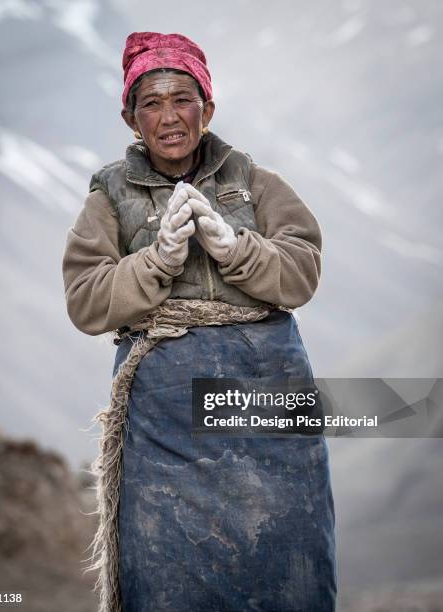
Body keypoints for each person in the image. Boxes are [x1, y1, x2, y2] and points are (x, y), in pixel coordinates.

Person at [62, 31, 336, 612]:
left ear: (207, 109)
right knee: (170, 571)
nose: (168, 117)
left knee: (288, 556)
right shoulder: (109, 198)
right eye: (151, 103)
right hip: (166, 414)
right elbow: (86, 299)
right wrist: (155, 263)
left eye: (182, 99)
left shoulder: (254, 181)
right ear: (130, 119)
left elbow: (303, 271)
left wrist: (237, 248)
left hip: (269, 392)